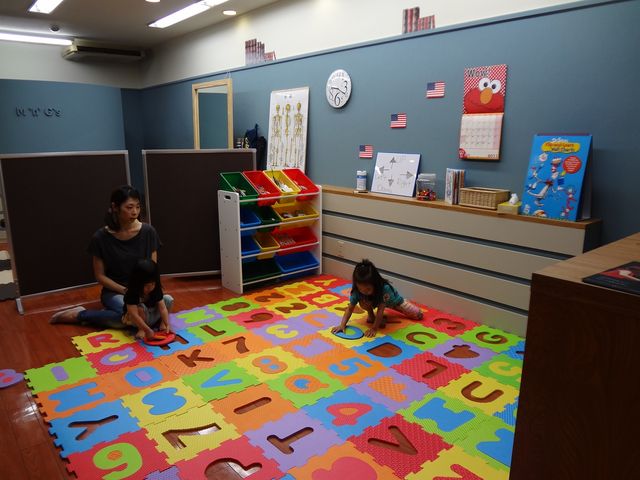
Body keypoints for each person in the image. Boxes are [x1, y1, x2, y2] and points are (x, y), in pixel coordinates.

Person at [51, 185, 173, 327]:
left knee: (139, 315)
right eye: (129, 207)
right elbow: (100, 276)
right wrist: (126, 291)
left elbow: (153, 270)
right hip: (116, 292)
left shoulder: (148, 232)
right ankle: (80, 315)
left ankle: (130, 316)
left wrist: (150, 292)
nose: (135, 212)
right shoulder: (100, 237)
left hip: (144, 292)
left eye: (138, 207)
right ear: (115, 207)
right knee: (130, 316)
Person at [331, 259, 423, 337]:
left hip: (393, 301)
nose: (364, 292)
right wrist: (342, 325)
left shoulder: (384, 289)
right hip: (376, 301)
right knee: (363, 301)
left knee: (418, 315)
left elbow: (380, 311)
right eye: (361, 289)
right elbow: (350, 309)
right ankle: (371, 315)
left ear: (375, 283)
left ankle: (403, 304)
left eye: (368, 289)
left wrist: (374, 328)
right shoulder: (357, 291)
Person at [122, 259, 171, 340]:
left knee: (168, 299)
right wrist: (147, 330)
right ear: (137, 283)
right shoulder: (132, 293)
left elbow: (162, 308)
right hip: (137, 320)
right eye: (146, 285)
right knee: (140, 308)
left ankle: (162, 324)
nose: (150, 288)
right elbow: (134, 315)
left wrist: (167, 323)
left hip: (150, 315)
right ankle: (141, 329)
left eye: (153, 284)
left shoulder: (156, 288)